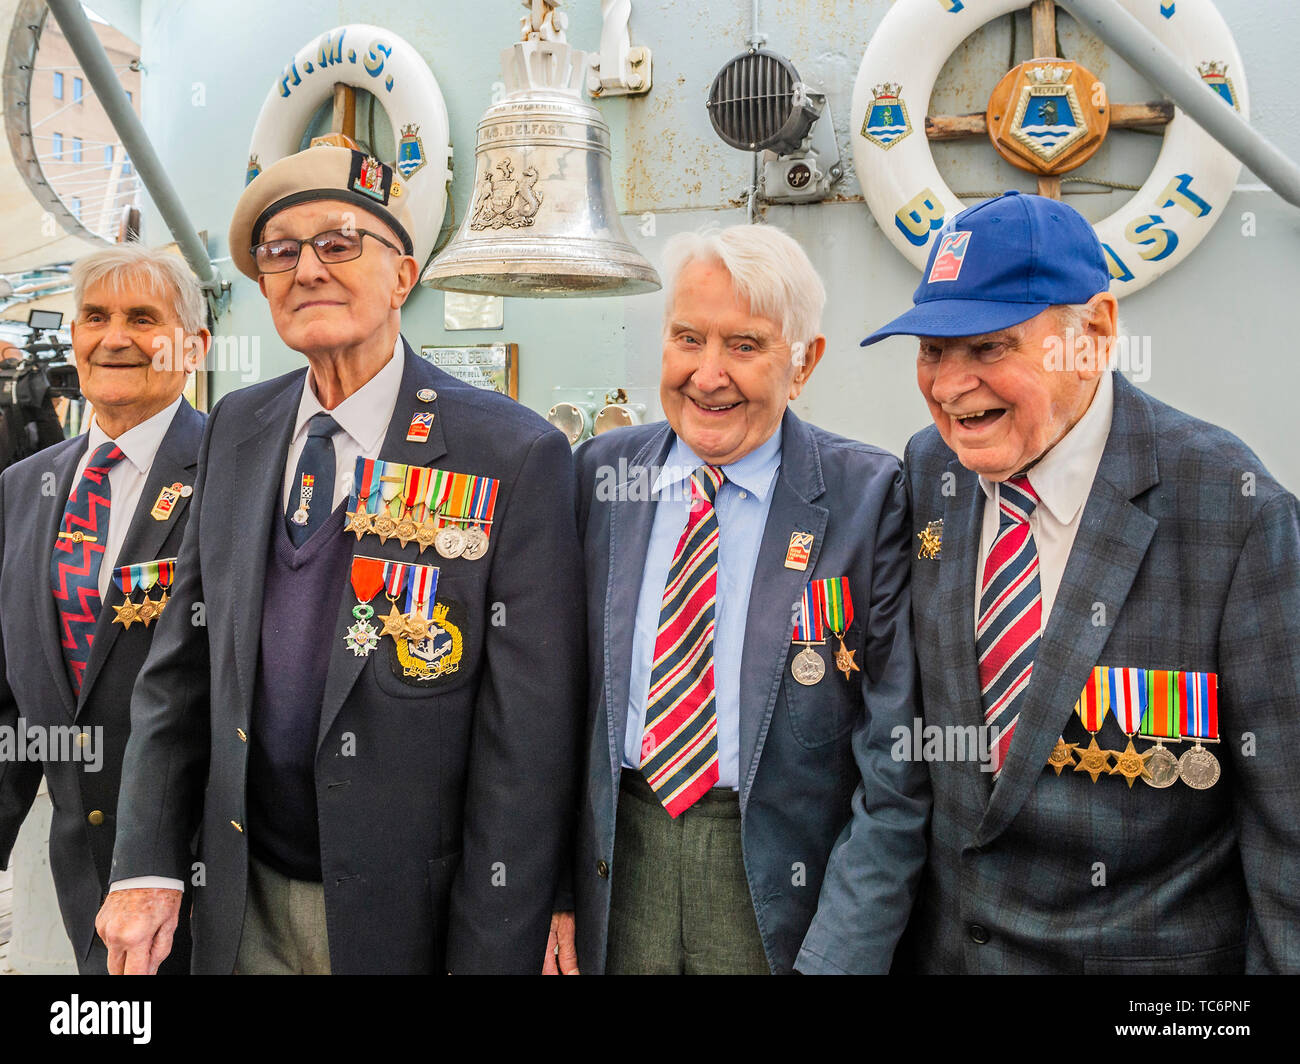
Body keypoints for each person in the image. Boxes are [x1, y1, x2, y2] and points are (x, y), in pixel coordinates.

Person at [94, 145, 584, 974]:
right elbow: (178, 671)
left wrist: (502, 930)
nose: (307, 269)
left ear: (404, 276)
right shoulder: (238, 431)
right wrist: (145, 866)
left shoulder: (511, 452)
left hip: (409, 915)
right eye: (281, 252)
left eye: (339, 243)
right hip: (241, 898)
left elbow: (526, 742)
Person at [862, 190, 1300, 973]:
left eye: (989, 347)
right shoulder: (930, 473)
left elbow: (1289, 836)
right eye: (931, 348)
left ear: (1093, 334)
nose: (949, 386)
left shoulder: (1232, 512)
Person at [554, 224, 929, 975]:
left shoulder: (868, 497)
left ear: (805, 363)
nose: (709, 374)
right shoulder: (597, 475)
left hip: (781, 891)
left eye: (747, 346)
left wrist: (839, 957)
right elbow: (549, 713)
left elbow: (896, 764)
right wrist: (553, 894)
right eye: (688, 339)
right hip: (618, 869)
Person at [0, 244, 209, 974]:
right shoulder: (25, 489)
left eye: (143, 318)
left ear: (193, 346)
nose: (113, 336)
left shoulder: (235, 475)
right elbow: (13, 700)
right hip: (83, 869)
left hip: (208, 870)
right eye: (94, 316)